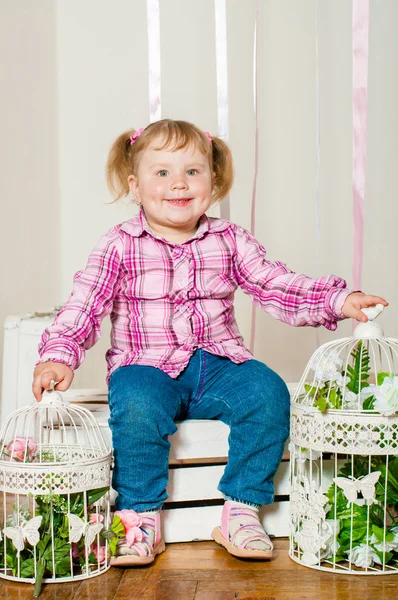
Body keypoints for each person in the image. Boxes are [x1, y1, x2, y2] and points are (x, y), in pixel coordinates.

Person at [32, 119, 388, 565]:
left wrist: (338, 299)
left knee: (267, 392)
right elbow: (84, 304)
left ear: (213, 181)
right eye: (161, 173)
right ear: (135, 186)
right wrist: (58, 355)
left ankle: (242, 507)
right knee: (137, 407)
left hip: (216, 363)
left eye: (193, 172)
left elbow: (274, 283)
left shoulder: (229, 239)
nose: (178, 184)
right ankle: (139, 516)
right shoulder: (119, 245)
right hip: (146, 365)